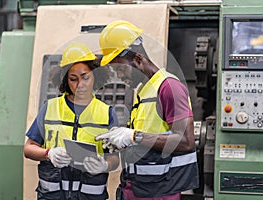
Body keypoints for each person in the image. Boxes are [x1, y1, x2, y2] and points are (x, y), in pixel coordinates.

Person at [95, 20, 199, 200]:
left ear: (137, 58)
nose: (119, 77)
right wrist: (121, 140)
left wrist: (134, 136)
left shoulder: (169, 87)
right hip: (136, 189)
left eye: (120, 69)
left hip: (159, 193)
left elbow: (186, 141)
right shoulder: (144, 91)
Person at [24, 42, 120, 200]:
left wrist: (105, 165)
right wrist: (48, 153)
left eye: (85, 77)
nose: (80, 85)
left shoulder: (107, 113)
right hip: (53, 195)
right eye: (73, 79)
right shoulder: (50, 108)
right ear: (65, 81)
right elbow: (29, 149)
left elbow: (114, 159)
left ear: (95, 76)